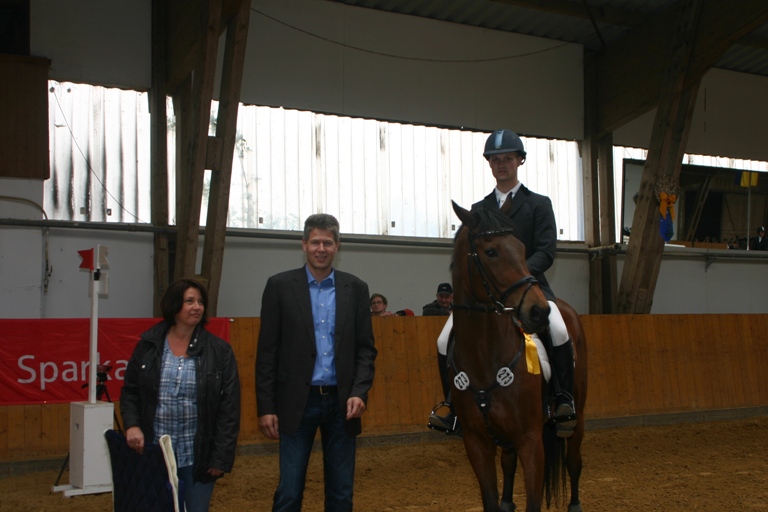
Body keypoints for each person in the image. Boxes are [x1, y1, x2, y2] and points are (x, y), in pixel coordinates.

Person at [429, 129, 576, 438]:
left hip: (529, 288)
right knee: (443, 340)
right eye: (495, 160)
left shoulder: (538, 204)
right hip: (484, 297)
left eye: (508, 158)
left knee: (560, 329)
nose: (501, 165)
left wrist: (518, 275)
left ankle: (563, 399)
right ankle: (453, 407)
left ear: (520, 161)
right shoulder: (479, 210)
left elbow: (546, 251)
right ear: (489, 164)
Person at [256, 213, 378, 512]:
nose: (321, 249)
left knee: (341, 493)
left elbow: (365, 349)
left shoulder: (356, 288)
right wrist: (267, 407)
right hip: (296, 403)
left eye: (327, 243)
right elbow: (267, 352)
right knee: (289, 491)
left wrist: (359, 392)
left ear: (337, 246)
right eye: (315, 242)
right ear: (304, 245)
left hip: (342, 404)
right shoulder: (279, 286)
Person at [120, 277, 241, 512]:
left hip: (197, 457)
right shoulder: (148, 345)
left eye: (200, 302)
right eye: (190, 301)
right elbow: (130, 391)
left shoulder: (219, 351)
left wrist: (220, 457)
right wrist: (132, 425)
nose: (197, 307)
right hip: (154, 452)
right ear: (174, 305)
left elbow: (229, 408)